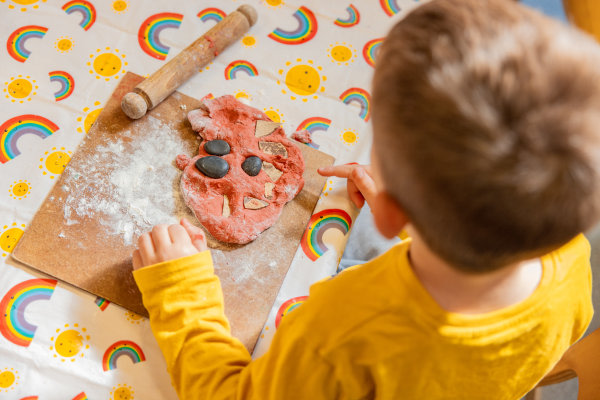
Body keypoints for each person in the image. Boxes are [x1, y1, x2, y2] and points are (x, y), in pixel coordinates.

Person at [131, 0, 600, 398]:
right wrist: (423, 216)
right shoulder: (569, 257)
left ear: (392, 213)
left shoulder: (344, 331)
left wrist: (180, 291)